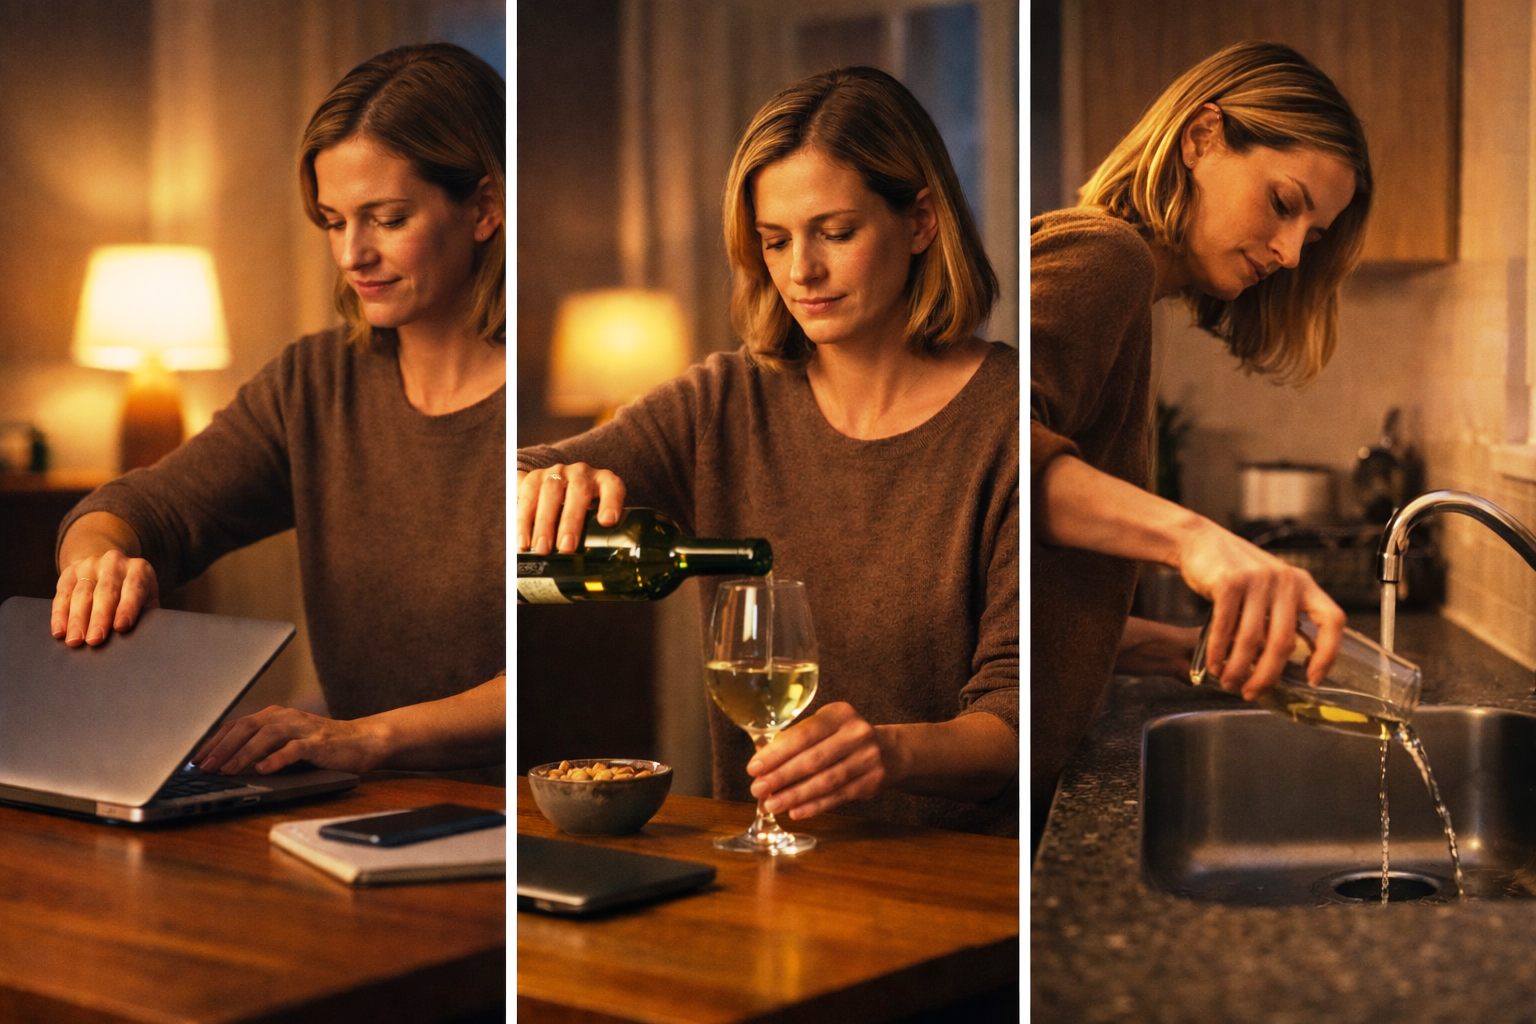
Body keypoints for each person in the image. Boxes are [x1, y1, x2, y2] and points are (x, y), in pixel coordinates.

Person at [518, 66, 1018, 836]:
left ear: (921, 221)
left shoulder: (1007, 419)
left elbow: (1019, 717)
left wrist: (890, 753)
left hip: (951, 882)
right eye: (775, 241)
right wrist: (542, 482)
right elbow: (513, 478)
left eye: (836, 233)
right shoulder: (724, 400)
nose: (800, 272)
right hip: (765, 876)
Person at [50, 43, 506, 783]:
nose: (352, 254)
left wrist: (365, 738)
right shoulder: (314, 384)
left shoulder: (547, 426)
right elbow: (142, 508)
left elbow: (537, 677)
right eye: (333, 221)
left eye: (388, 219)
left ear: (485, 208)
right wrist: (95, 561)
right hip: (364, 809)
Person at [1031, 40, 1373, 842]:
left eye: (1313, 234)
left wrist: (1193, 651)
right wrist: (1193, 538)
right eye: (1283, 203)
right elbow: (980, 457)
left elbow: (1026, 602)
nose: (1291, 253)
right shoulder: (1104, 255)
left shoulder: (1131, 289)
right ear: (1201, 137)